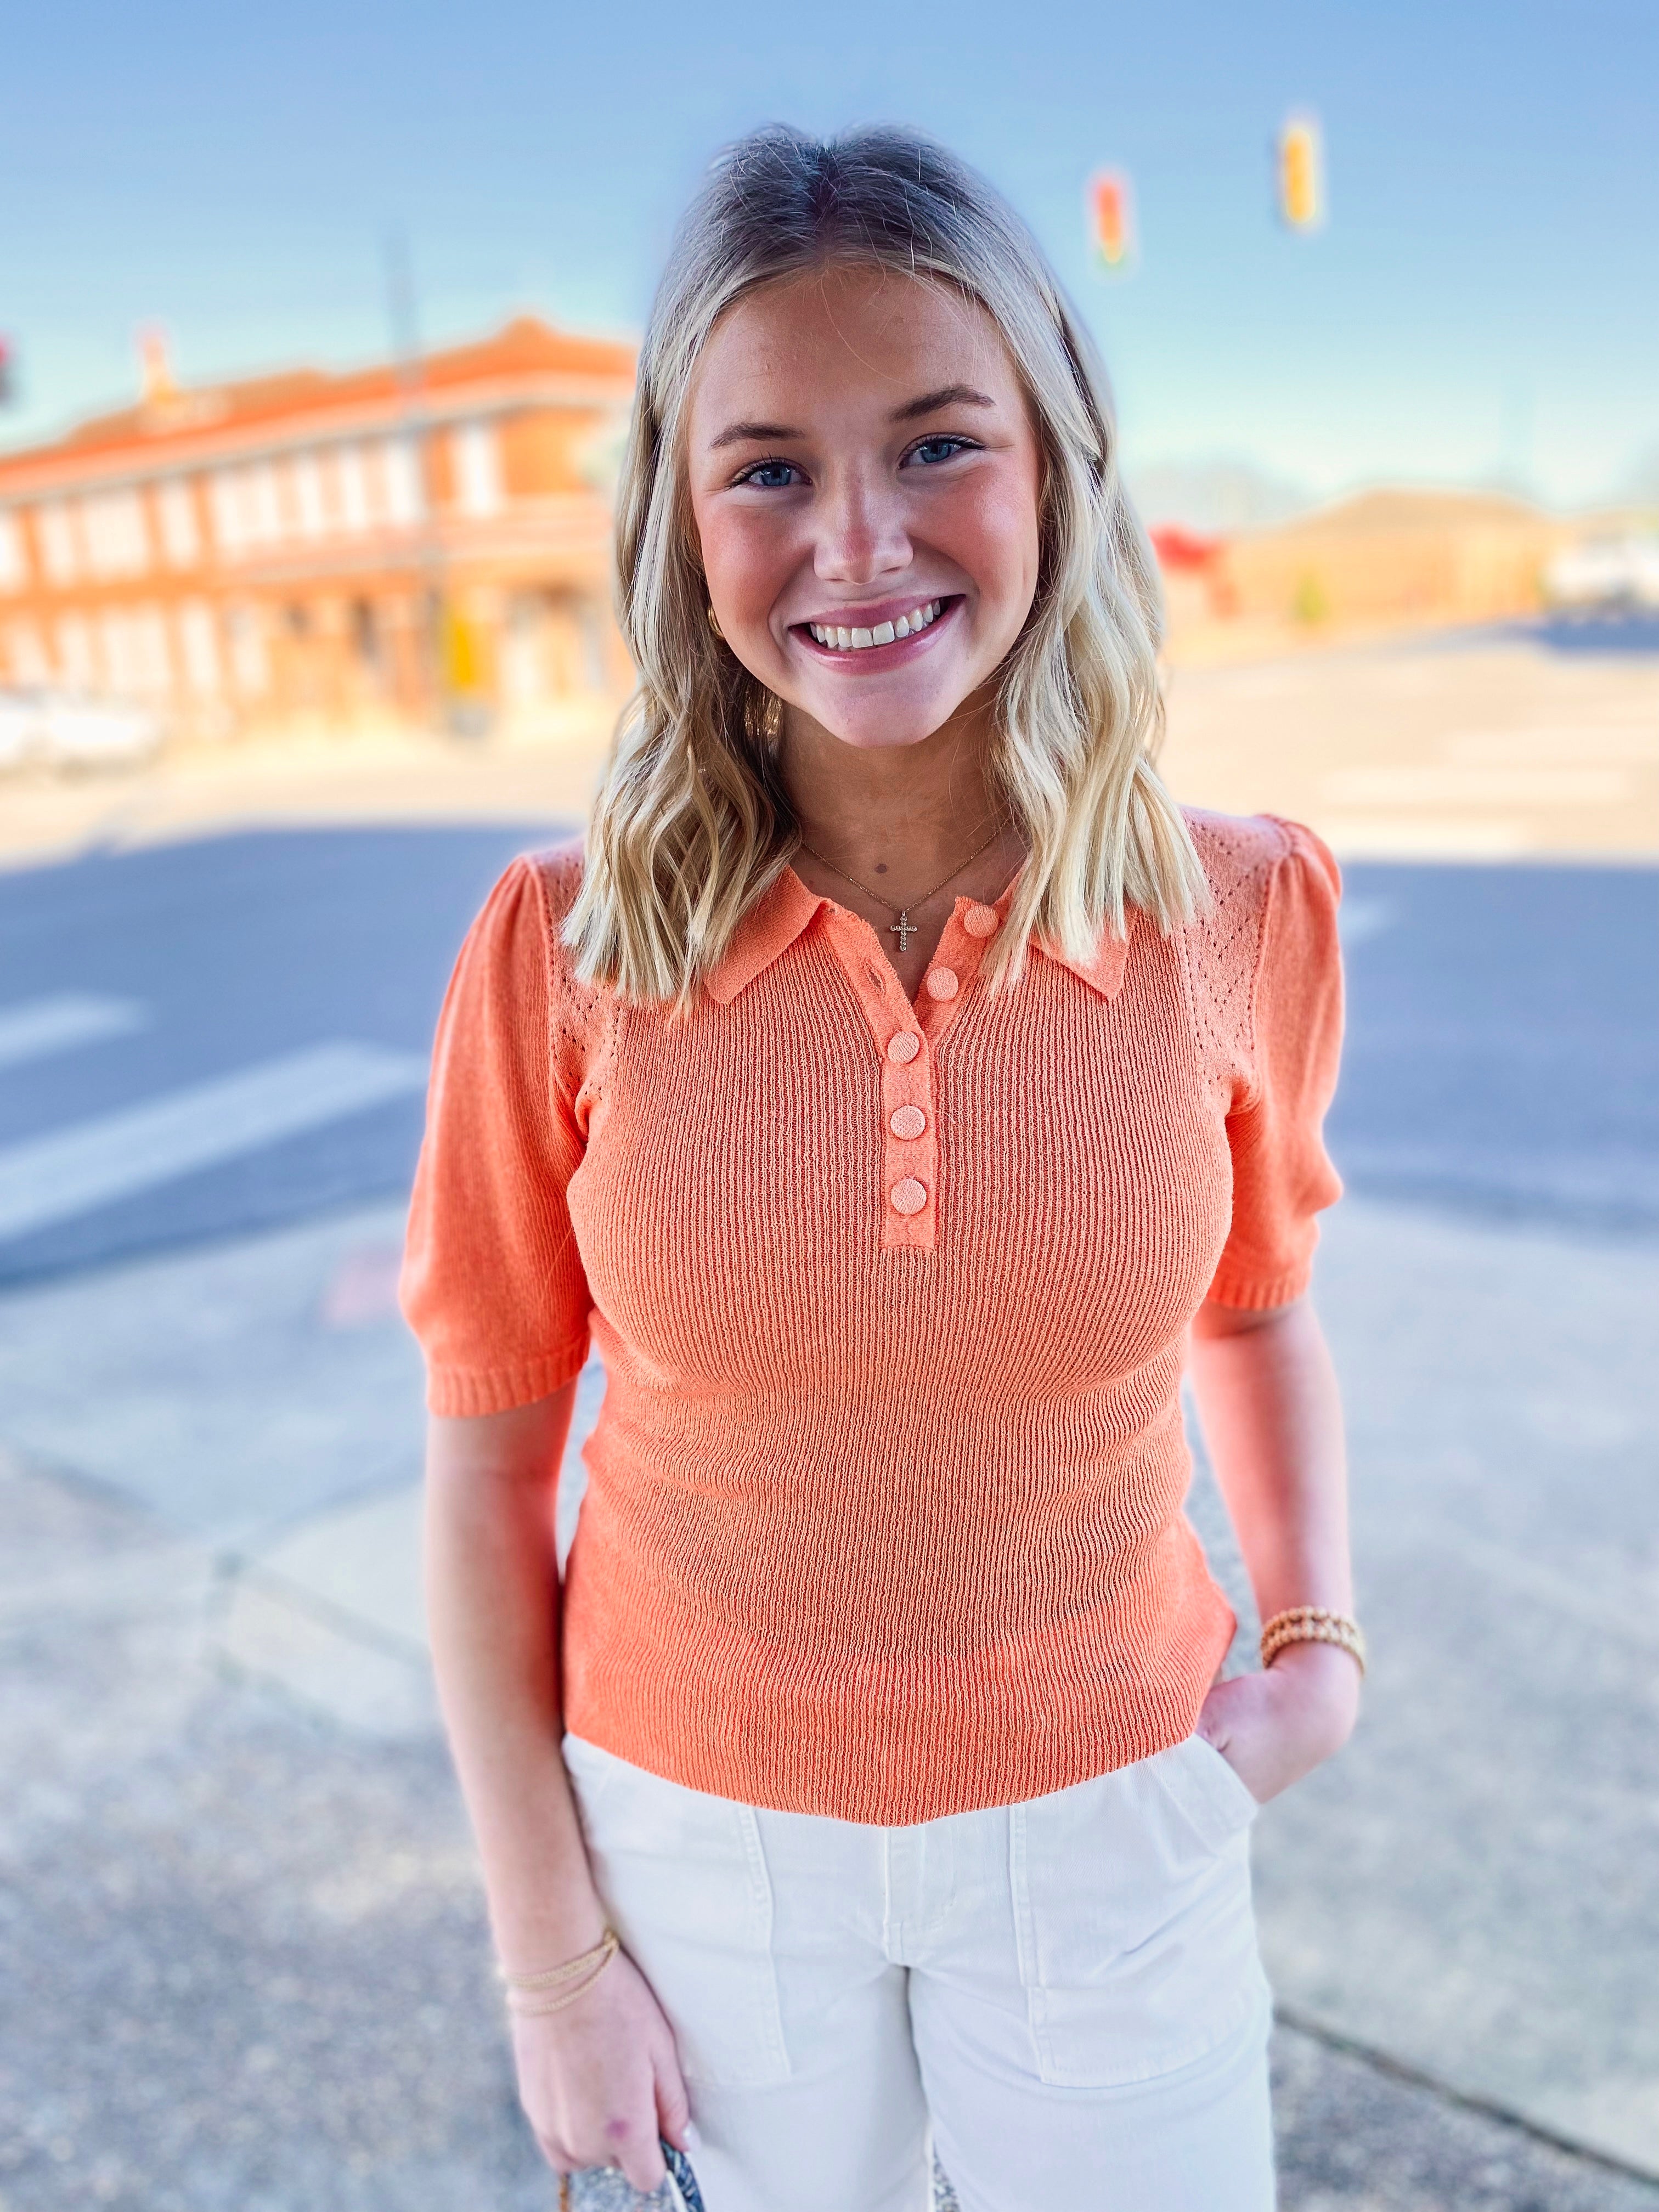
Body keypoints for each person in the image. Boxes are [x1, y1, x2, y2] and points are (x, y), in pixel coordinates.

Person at [401, 123, 1363, 2212]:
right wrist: (551, 1962)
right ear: (681, 514)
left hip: (1123, 1810)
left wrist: (1317, 1652)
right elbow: (485, 1474)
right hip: (693, 1836)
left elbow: (1261, 1305)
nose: (857, 542)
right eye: (768, 468)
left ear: (1054, 465)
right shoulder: (558, 947)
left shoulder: (1245, 910)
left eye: (937, 444)